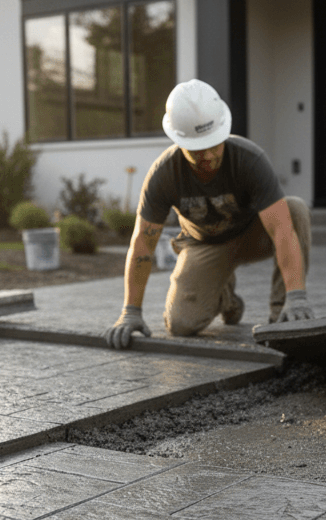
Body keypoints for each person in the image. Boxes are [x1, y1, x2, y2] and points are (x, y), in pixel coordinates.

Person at [105, 79, 313, 348]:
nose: (208, 155)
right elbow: (143, 243)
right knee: (180, 325)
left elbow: (282, 230)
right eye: (197, 149)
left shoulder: (250, 160)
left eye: (214, 144)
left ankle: (282, 315)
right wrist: (130, 311)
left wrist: (296, 296)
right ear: (179, 141)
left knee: (294, 209)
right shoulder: (164, 174)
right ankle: (226, 296)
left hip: (252, 235)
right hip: (204, 244)